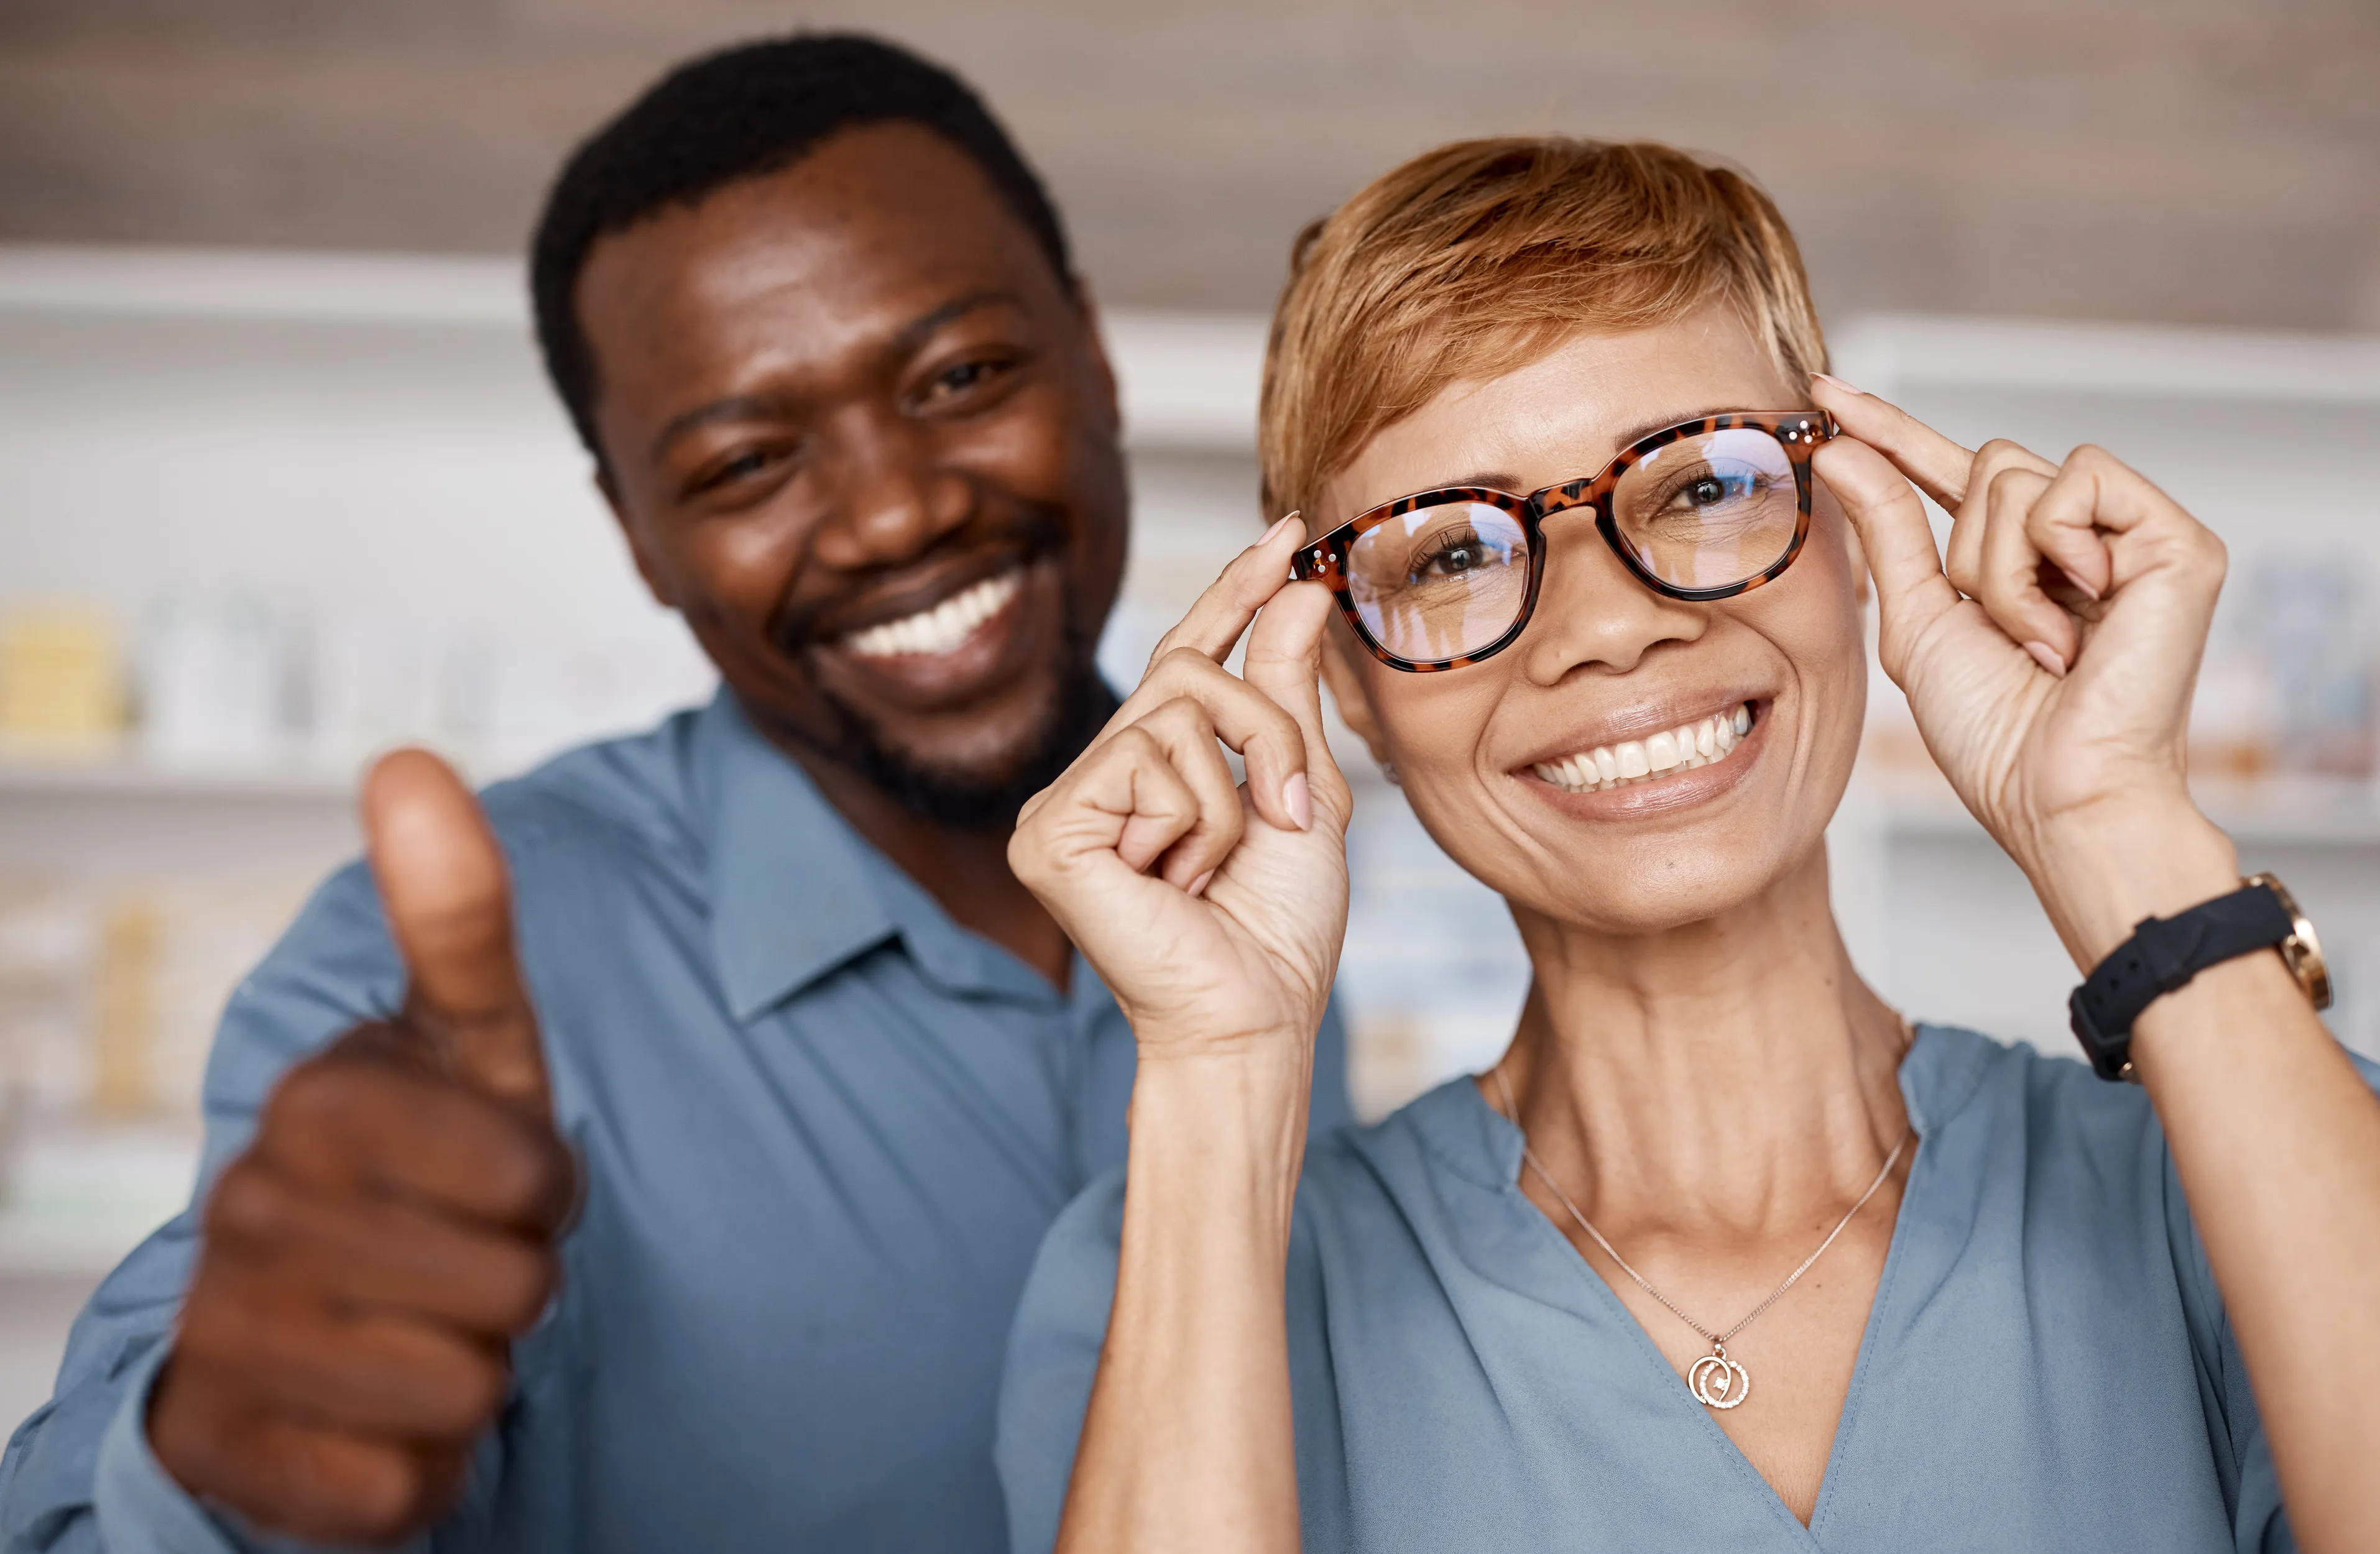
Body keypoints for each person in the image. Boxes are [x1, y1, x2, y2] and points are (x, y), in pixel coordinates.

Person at [0, 34, 1351, 1554]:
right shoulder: (463, 971)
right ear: (637, 534)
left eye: (963, 376)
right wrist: (209, 1472)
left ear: (1093, 356)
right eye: (747, 462)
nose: (897, 509)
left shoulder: (1277, 863)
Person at [996, 137, 2380, 1553]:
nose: (1607, 626)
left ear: (1856, 530)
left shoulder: (2247, 1161)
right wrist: (1224, 1076)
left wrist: (2114, 823)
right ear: (1342, 682)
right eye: (1454, 552)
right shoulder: (1172, 1269)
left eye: (1704, 484)